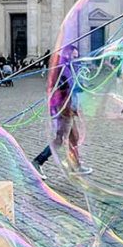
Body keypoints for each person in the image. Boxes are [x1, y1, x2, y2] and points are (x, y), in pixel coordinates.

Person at [32, 44, 92, 178]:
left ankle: (75, 166)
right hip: (65, 109)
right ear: (67, 55)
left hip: (70, 108)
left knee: (74, 138)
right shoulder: (62, 70)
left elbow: (74, 88)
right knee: (60, 139)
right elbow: (62, 90)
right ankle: (38, 161)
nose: (76, 59)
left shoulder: (69, 69)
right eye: (73, 56)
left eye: (77, 56)